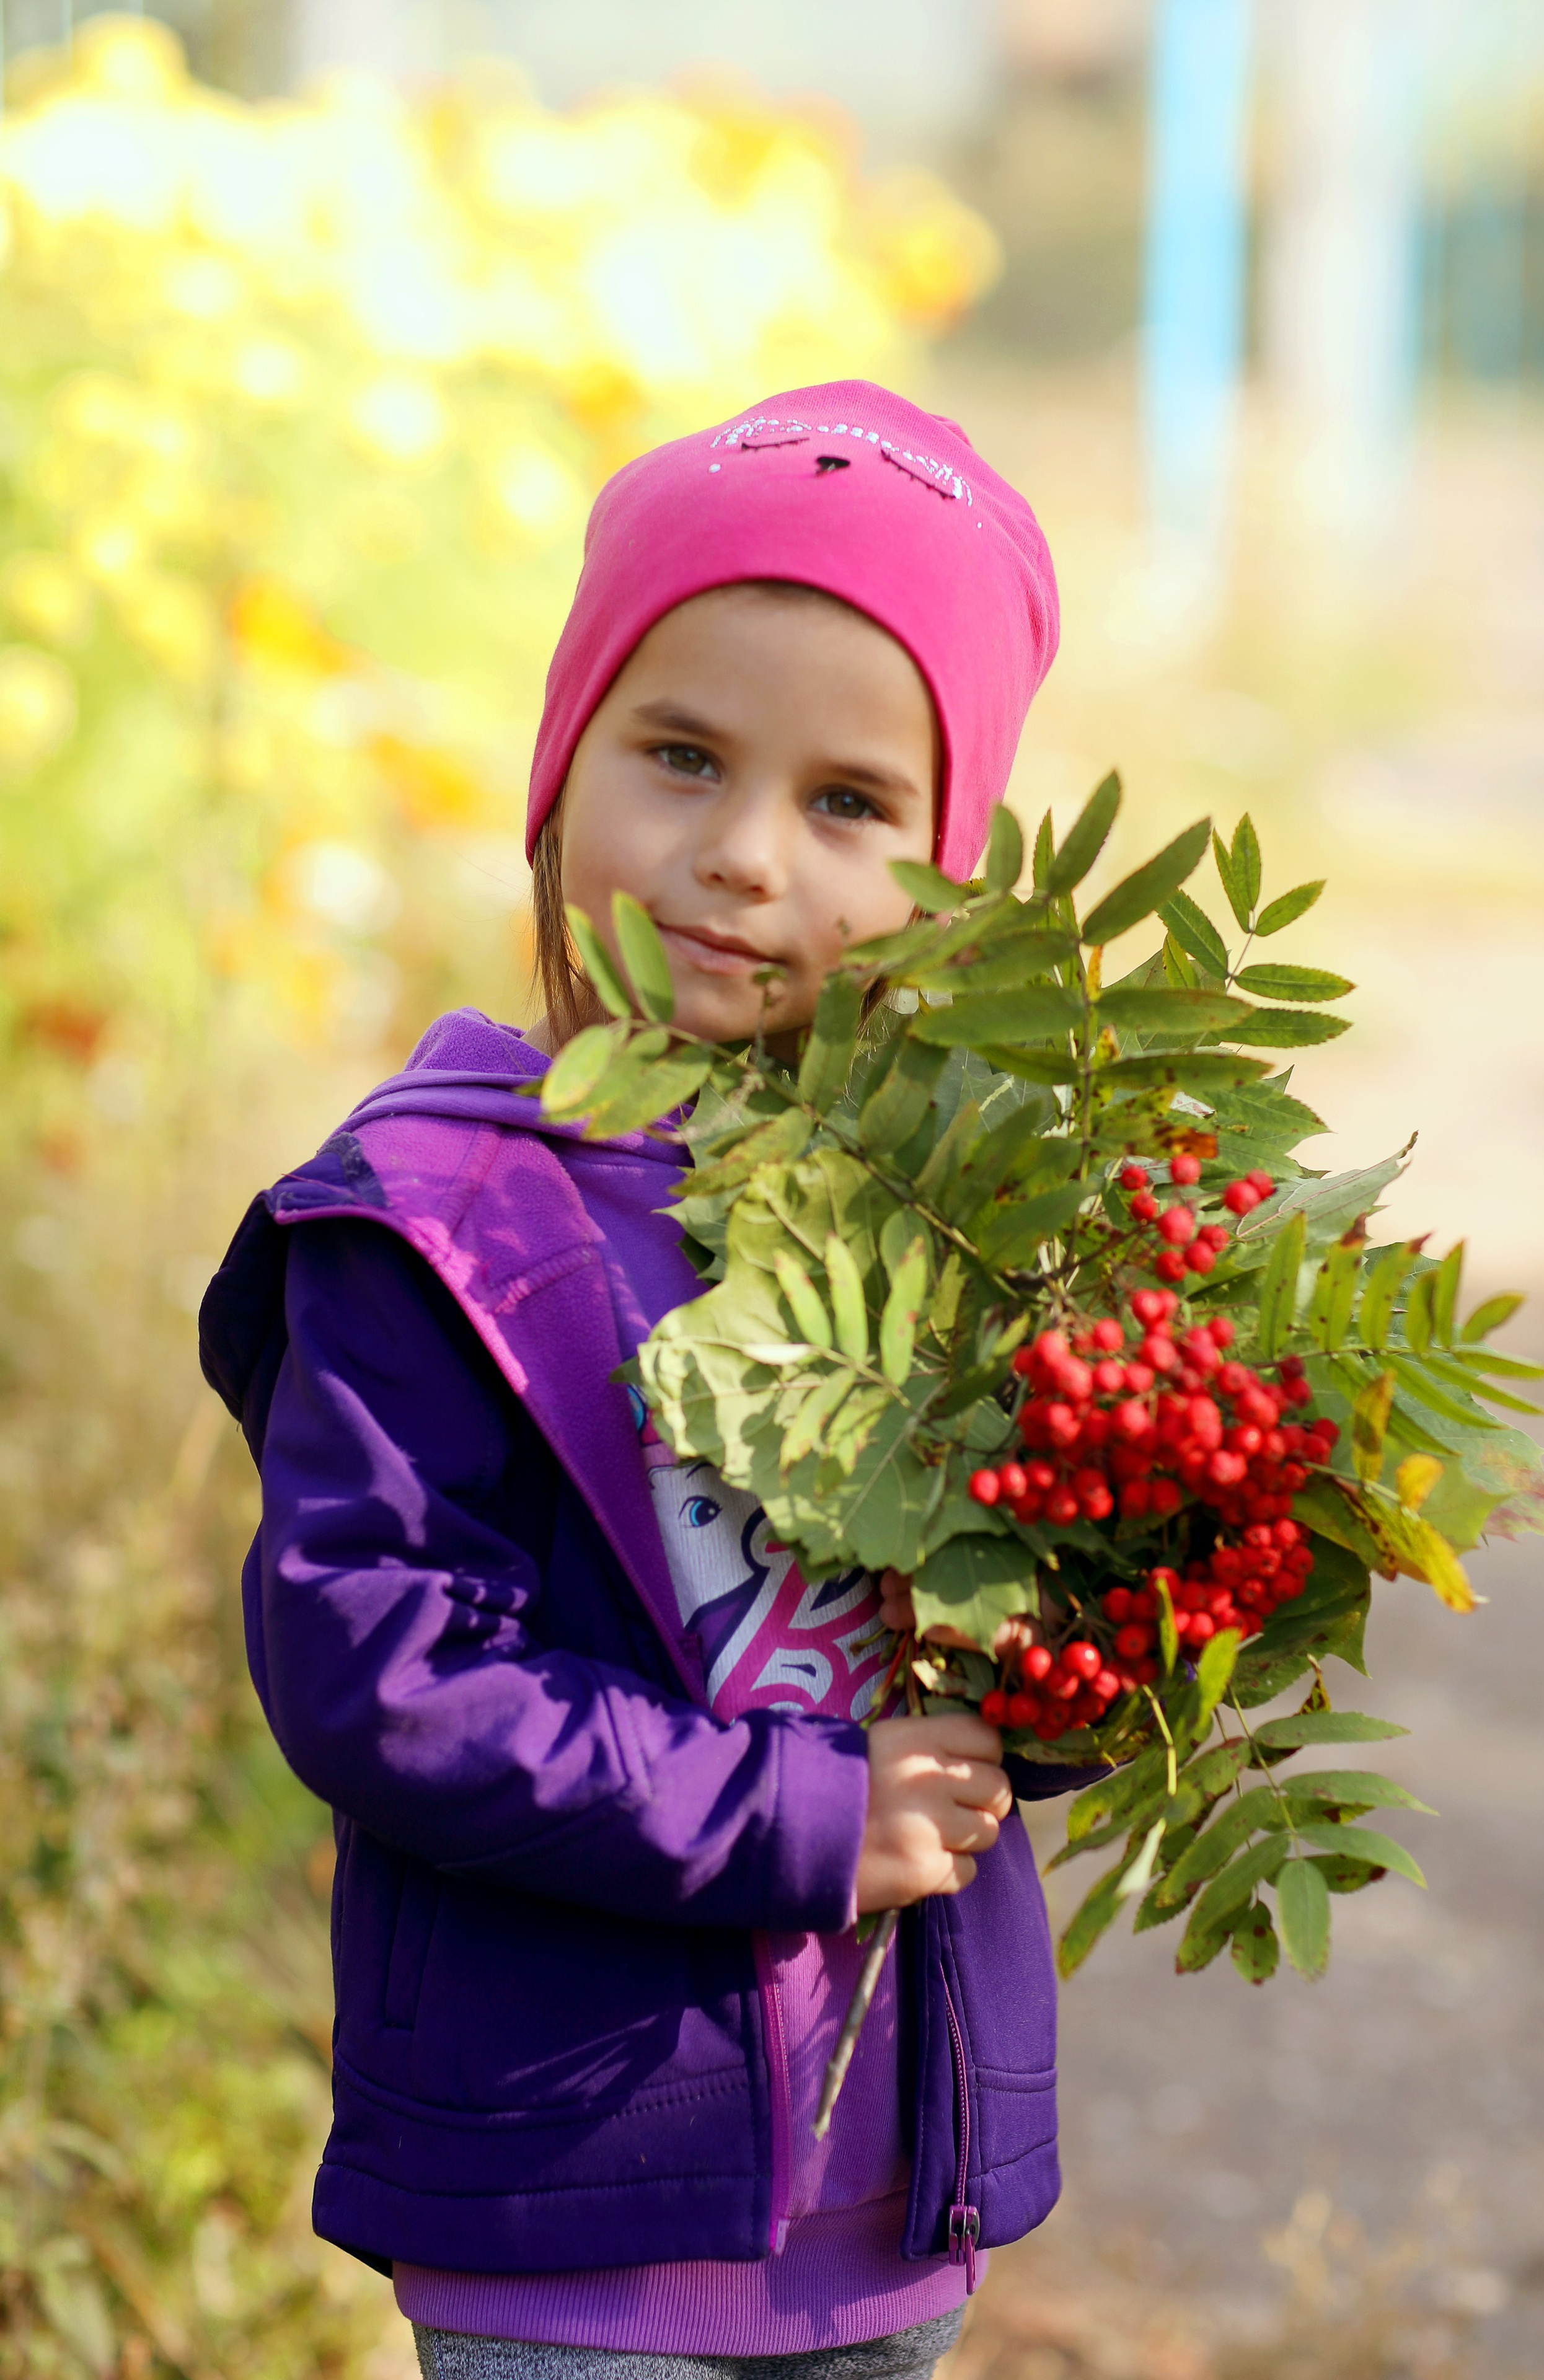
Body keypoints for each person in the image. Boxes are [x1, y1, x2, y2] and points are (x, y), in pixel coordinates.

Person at [200, 381, 1082, 2380]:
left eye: (850, 804)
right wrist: (793, 1819)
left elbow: (1019, 1649)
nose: (745, 858)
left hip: (898, 2189)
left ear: (950, 876)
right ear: (560, 765)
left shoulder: (956, 1216)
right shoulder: (434, 1215)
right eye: (682, 756)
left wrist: (1144, 1598)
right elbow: (380, 1662)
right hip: (575, 2185)